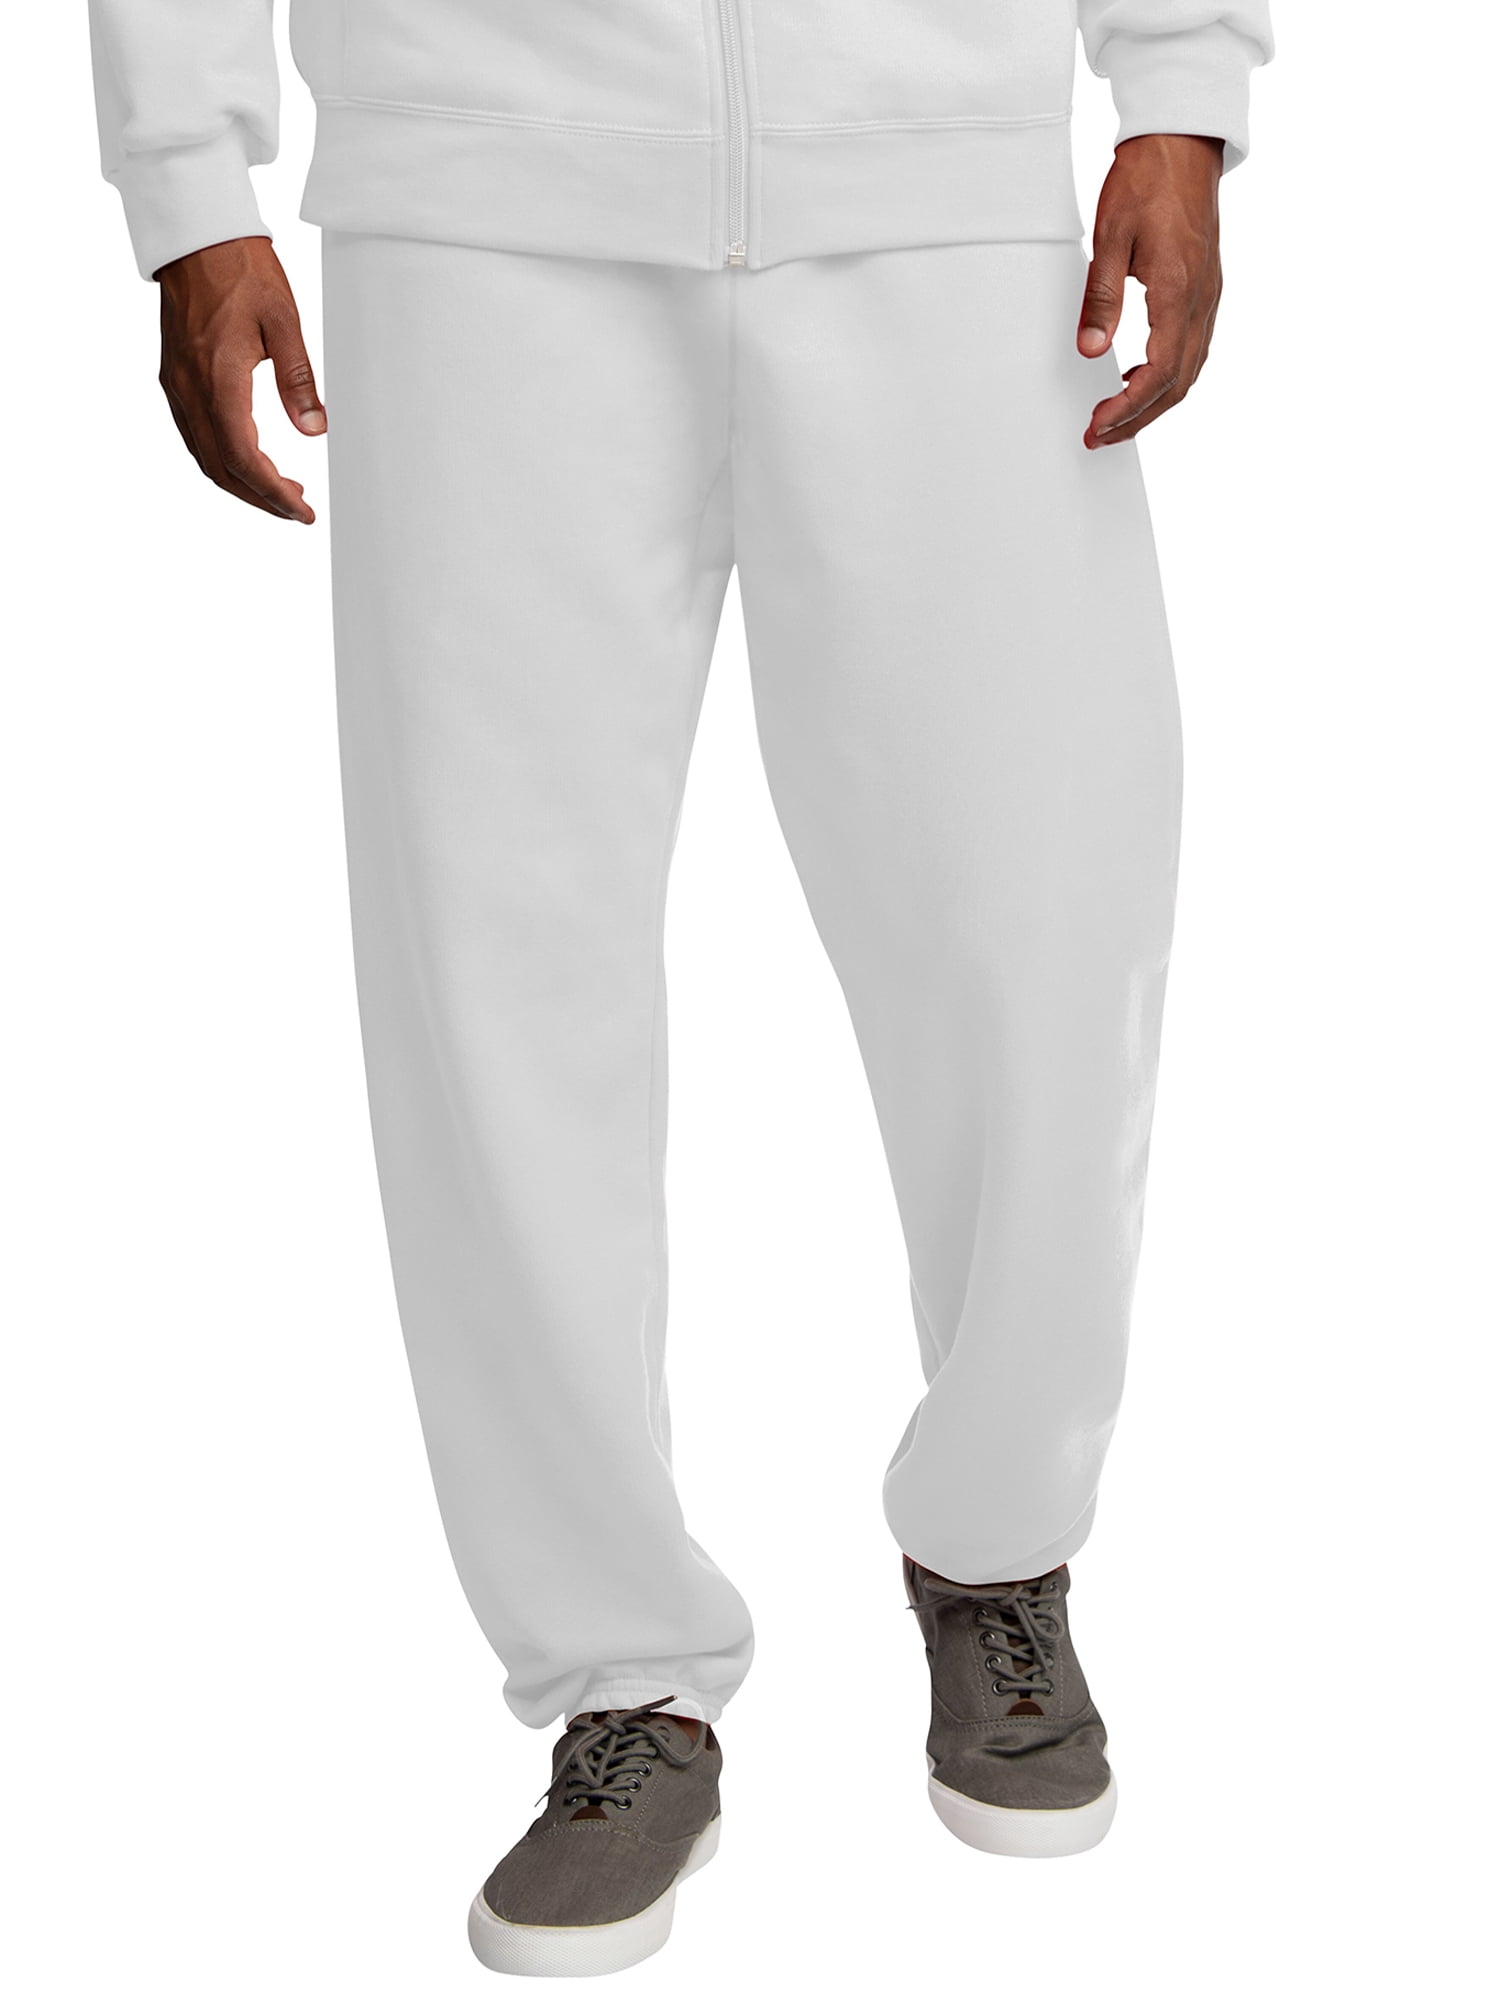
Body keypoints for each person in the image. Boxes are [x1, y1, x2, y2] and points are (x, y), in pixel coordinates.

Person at [89, 0, 1273, 1977]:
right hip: (477, 187)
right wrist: (189, 183)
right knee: (493, 965)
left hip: (939, 174)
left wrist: (1183, 85)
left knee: (1050, 914)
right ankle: (618, 1677)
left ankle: (999, 1545)